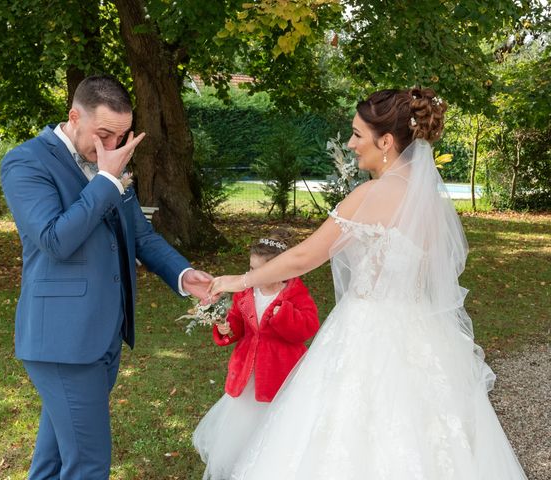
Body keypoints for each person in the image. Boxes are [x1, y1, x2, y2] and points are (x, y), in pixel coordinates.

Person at [209, 88, 528, 479]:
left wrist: (239, 279)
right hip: (421, 333)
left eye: (358, 134)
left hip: (362, 334)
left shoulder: (368, 195)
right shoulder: (428, 202)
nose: (351, 143)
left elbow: (303, 257)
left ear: (387, 142)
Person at [0, 75, 213, 479]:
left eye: (121, 136)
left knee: (55, 460)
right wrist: (106, 181)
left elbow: (141, 236)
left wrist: (183, 275)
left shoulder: (111, 163)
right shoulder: (26, 161)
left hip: (104, 335)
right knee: (89, 465)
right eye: (103, 134)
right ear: (74, 116)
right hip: (64, 343)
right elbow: (54, 240)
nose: (113, 147)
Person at [193, 229, 320, 479]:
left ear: (278, 270)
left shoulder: (295, 293)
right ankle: (241, 465)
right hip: (247, 372)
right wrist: (226, 328)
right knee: (243, 424)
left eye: (257, 270)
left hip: (280, 371)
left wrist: (283, 314)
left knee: (276, 422)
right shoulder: (246, 293)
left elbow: (308, 327)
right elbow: (238, 323)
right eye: (249, 268)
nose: (250, 275)